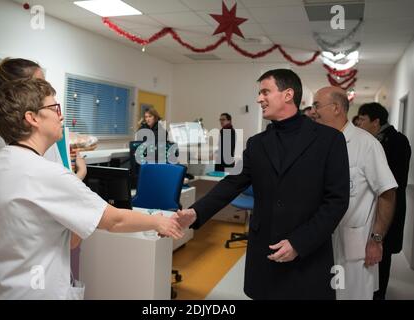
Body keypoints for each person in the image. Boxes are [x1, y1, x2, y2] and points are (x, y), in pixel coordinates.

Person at [0, 79, 183, 299]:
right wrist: (159, 221)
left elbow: (60, 237)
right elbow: (115, 220)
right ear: (32, 118)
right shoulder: (45, 173)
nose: (60, 115)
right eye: (54, 108)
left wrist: (79, 189)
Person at [174, 69, 350, 299]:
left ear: (288, 95)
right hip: (265, 251)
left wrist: (299, 242)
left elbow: (336, 201)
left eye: (265, 91)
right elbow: (233, 183)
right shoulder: (258, 143)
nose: (259, 99)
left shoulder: (330, 140)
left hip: (308, 253)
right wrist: (196, 212)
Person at [0, 58, 87, 294]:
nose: (45, 92)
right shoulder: (36, 130)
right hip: (31, 248)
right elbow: (58, 189)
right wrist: (79, 174)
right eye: (40, 84)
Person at [313, 87, 398, 300]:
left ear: (335, 108)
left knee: (351, 295)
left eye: (317, 105)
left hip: (354, 244)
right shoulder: (317, 143)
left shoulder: (367, 144)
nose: (313, 111)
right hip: (320, 242)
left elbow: (387, 192)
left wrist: (376, 239)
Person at [357, 102, 411, 300]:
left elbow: (390, 183)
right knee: (372, 257)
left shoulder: (396, 141)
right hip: (376, 206)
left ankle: (379, 295)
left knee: (383, 255)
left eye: (363, 119)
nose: (360, 124)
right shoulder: (375, 139)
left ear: (375, 121)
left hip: (390, 205)